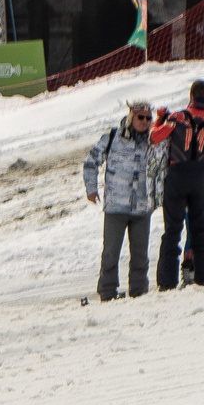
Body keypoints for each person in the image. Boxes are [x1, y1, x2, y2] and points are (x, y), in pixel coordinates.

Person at [152, 82, 204, 290]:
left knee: (173, 230)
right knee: (199, 229)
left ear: (190, 94)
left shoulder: (177, 118)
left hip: (177, 173)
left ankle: (167, 281)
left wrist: (159, 120)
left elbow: (155, 137)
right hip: (200, 176)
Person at [86, 99, 158, 301]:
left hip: (142, 208)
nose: (144, 122)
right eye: (140, 117)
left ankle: (139, 292)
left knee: (140, 256)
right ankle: (107, 292)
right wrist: (91, 189)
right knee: (110, 254)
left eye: (148, 118)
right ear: (131, 117)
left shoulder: (154, 141)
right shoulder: (113, 137)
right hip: (116, 206)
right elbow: (91, 162)